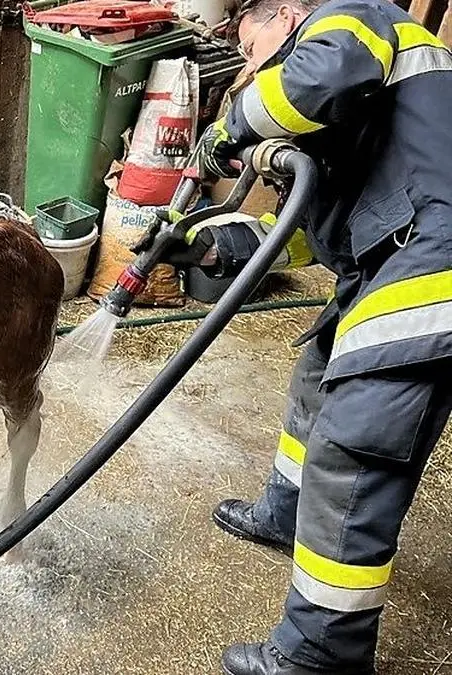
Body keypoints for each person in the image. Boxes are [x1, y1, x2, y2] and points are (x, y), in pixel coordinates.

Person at [167, 0, 452, 672]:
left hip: (435, 258)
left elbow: (316, 77)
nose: (250, 64)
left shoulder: (348, 21)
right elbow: (306, 237)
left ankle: (323, 651)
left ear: (286, 15)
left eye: (251, 46)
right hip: (397, 250)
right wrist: (209, 251)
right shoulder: (350, 123)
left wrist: (231, 124)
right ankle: (288, 512)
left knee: (353, 446)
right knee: (316, 372)